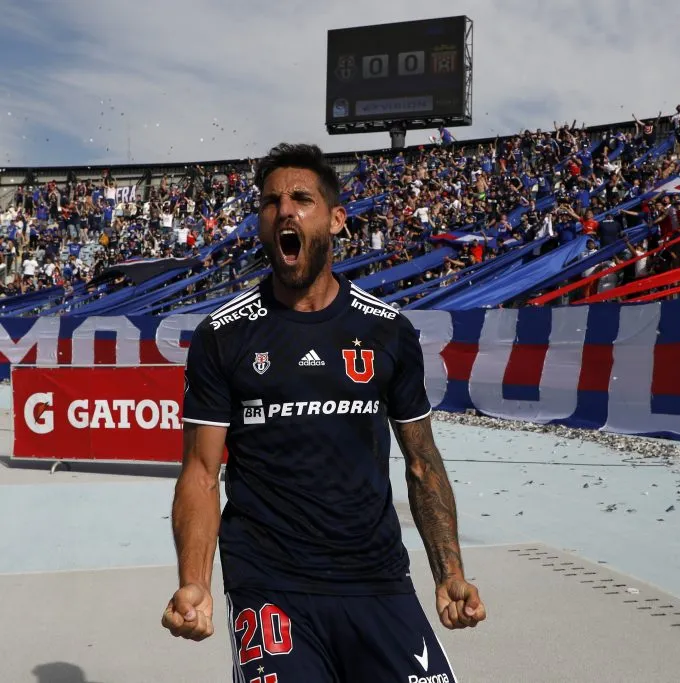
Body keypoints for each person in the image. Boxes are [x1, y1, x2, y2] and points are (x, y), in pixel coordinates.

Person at [162, 142, 485, 682]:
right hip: (270, 586)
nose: (285, 209)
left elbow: (422, 461)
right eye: (271, 202)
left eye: (301, 198)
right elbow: (200, 471)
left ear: (336, 220)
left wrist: (450, 572)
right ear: (263, 226)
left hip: (379, 581)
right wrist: (194, 580)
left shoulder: (388, 331)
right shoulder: (223, 335)